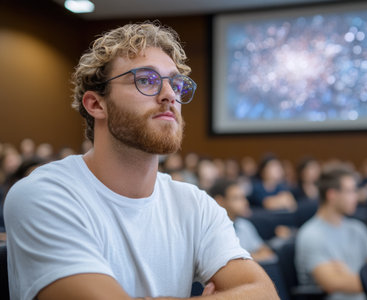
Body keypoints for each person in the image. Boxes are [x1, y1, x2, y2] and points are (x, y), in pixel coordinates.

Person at [4, 22, 278, 300]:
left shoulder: (195, 205)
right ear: (96, 104)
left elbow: (264, 294)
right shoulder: (44, 196)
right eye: (146, 79)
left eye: (176, 83)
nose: (170, 94)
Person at [295, 168, 367, 300]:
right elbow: (332, 284)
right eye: (350, 191)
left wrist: (348, 276)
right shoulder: (311, 235)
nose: (356, 197)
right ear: (332, 195)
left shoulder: (358, 228)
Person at [210, 179, 276, 262]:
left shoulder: (244, 225)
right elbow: (230, 262)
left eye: (243, 197)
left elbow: (266, 253)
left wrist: (245, 258)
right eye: (237, 198)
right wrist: (253, 256)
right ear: (219, 201)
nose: (245, 202)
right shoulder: (211, 231)